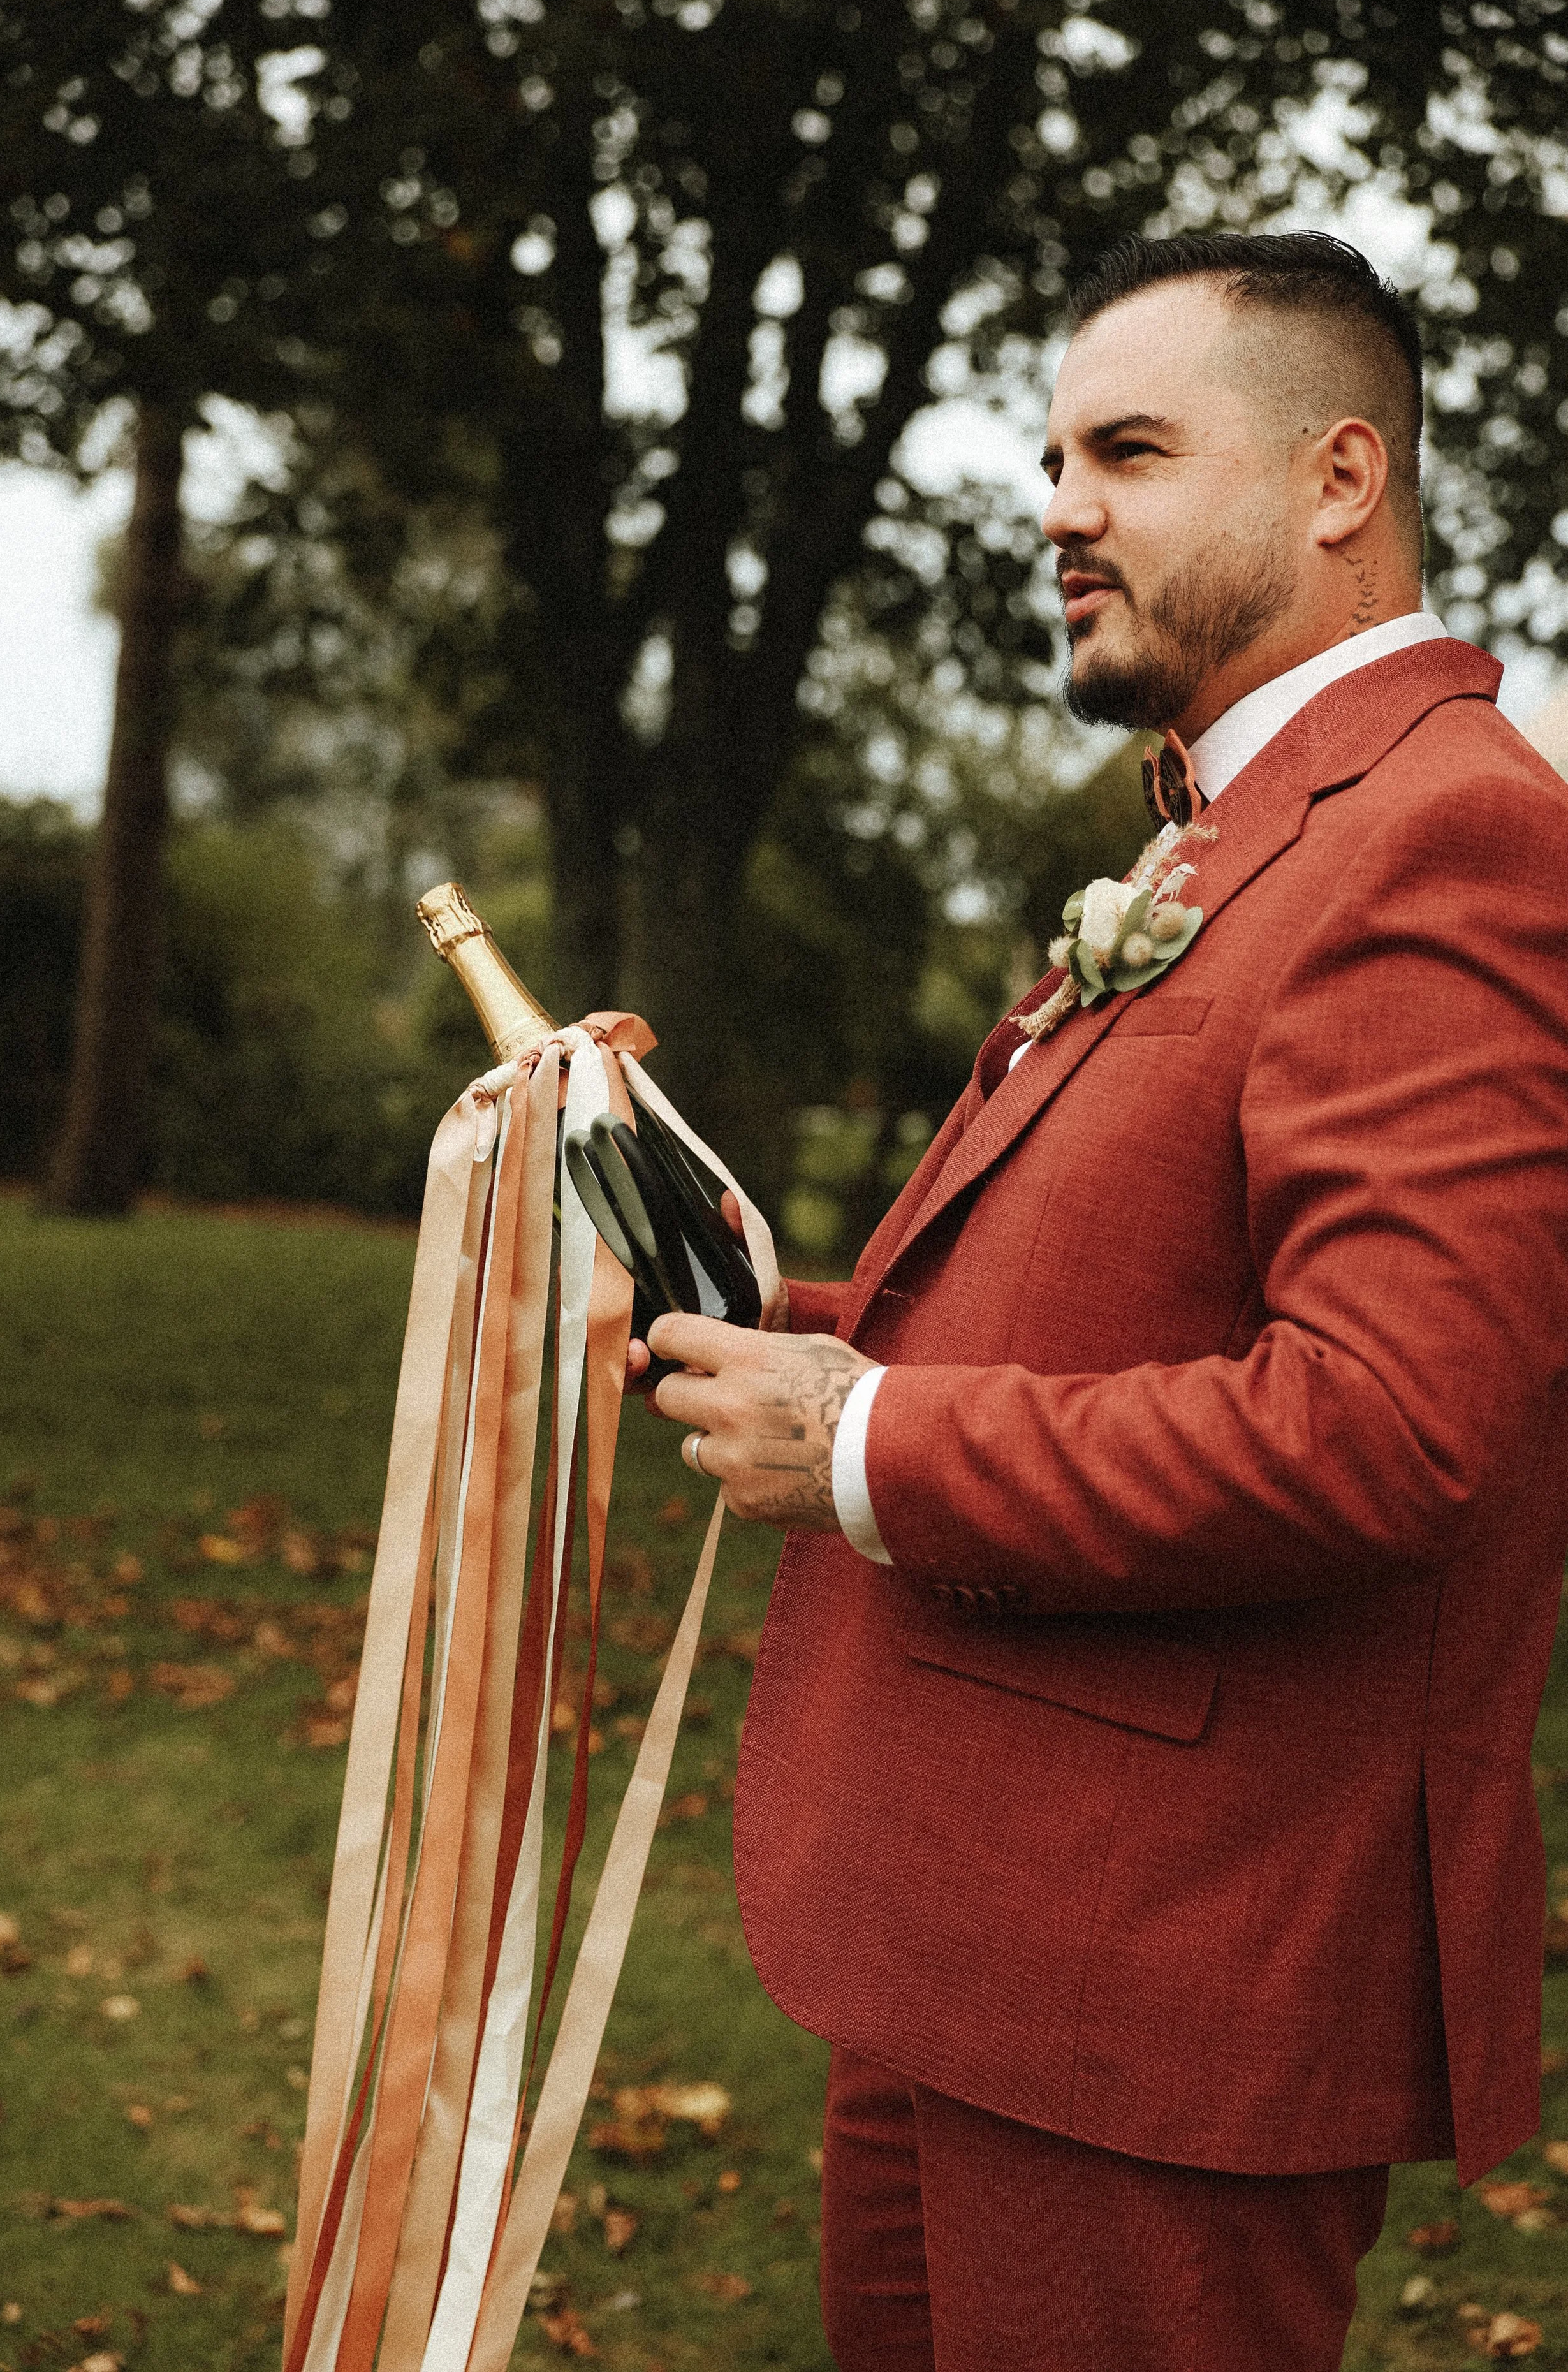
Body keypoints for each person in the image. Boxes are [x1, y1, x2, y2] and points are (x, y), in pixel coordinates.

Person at [627, 231, 1568, 2371]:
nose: (1055, 506)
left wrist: (858, 1442)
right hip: (986, 1928)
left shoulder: (1449, 840)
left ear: (1341, 479)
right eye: (1050, 455)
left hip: (1173, 1972)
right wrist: (702, 1289)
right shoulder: (1218, 833)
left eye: (1126, 450)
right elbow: (1068, 1301)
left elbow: (1387, 1422)